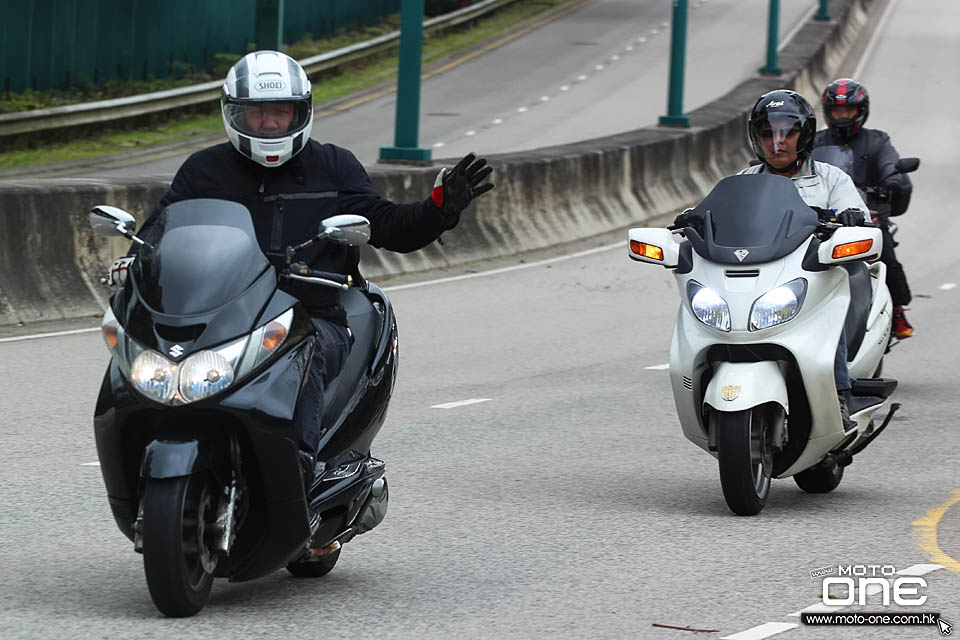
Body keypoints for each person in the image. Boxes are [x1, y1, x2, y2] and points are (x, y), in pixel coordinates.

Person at [110, 50, 494, 496]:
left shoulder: (333, 166)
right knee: (139, 349)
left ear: (301, 112)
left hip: (312, 317)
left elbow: (388, 225)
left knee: (301, 345)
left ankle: (301, 471)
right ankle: (135, 462)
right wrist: (136, 260)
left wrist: (439, 210)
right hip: (221, 321)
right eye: (257, 113)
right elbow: (162, 234)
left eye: (280, 111)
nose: (270, 124)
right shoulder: (203, 171)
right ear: (234, 113)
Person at [673, 89, 872, 431]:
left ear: (805, 134)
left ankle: (839, 393)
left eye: (787, 132)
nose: (777, 142)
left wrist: (851, 218)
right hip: (759, 279)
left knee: (831, 317)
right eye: (768, 133)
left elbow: (860, 217)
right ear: (756, 137)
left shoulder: (830, 179)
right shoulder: (744, 182)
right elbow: (712, 214)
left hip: (813, 275)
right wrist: (691, 218)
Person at [816, 77, 915, 339]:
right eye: (838, 111)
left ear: (861, 111)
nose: (843, 116)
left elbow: (891, 166)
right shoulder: (814, 142)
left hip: (868, 216)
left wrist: (890, 182)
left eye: (849, 110)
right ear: (828, 112)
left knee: (887, 257)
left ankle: (898, 312)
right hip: (823, 219)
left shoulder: (877, 141)